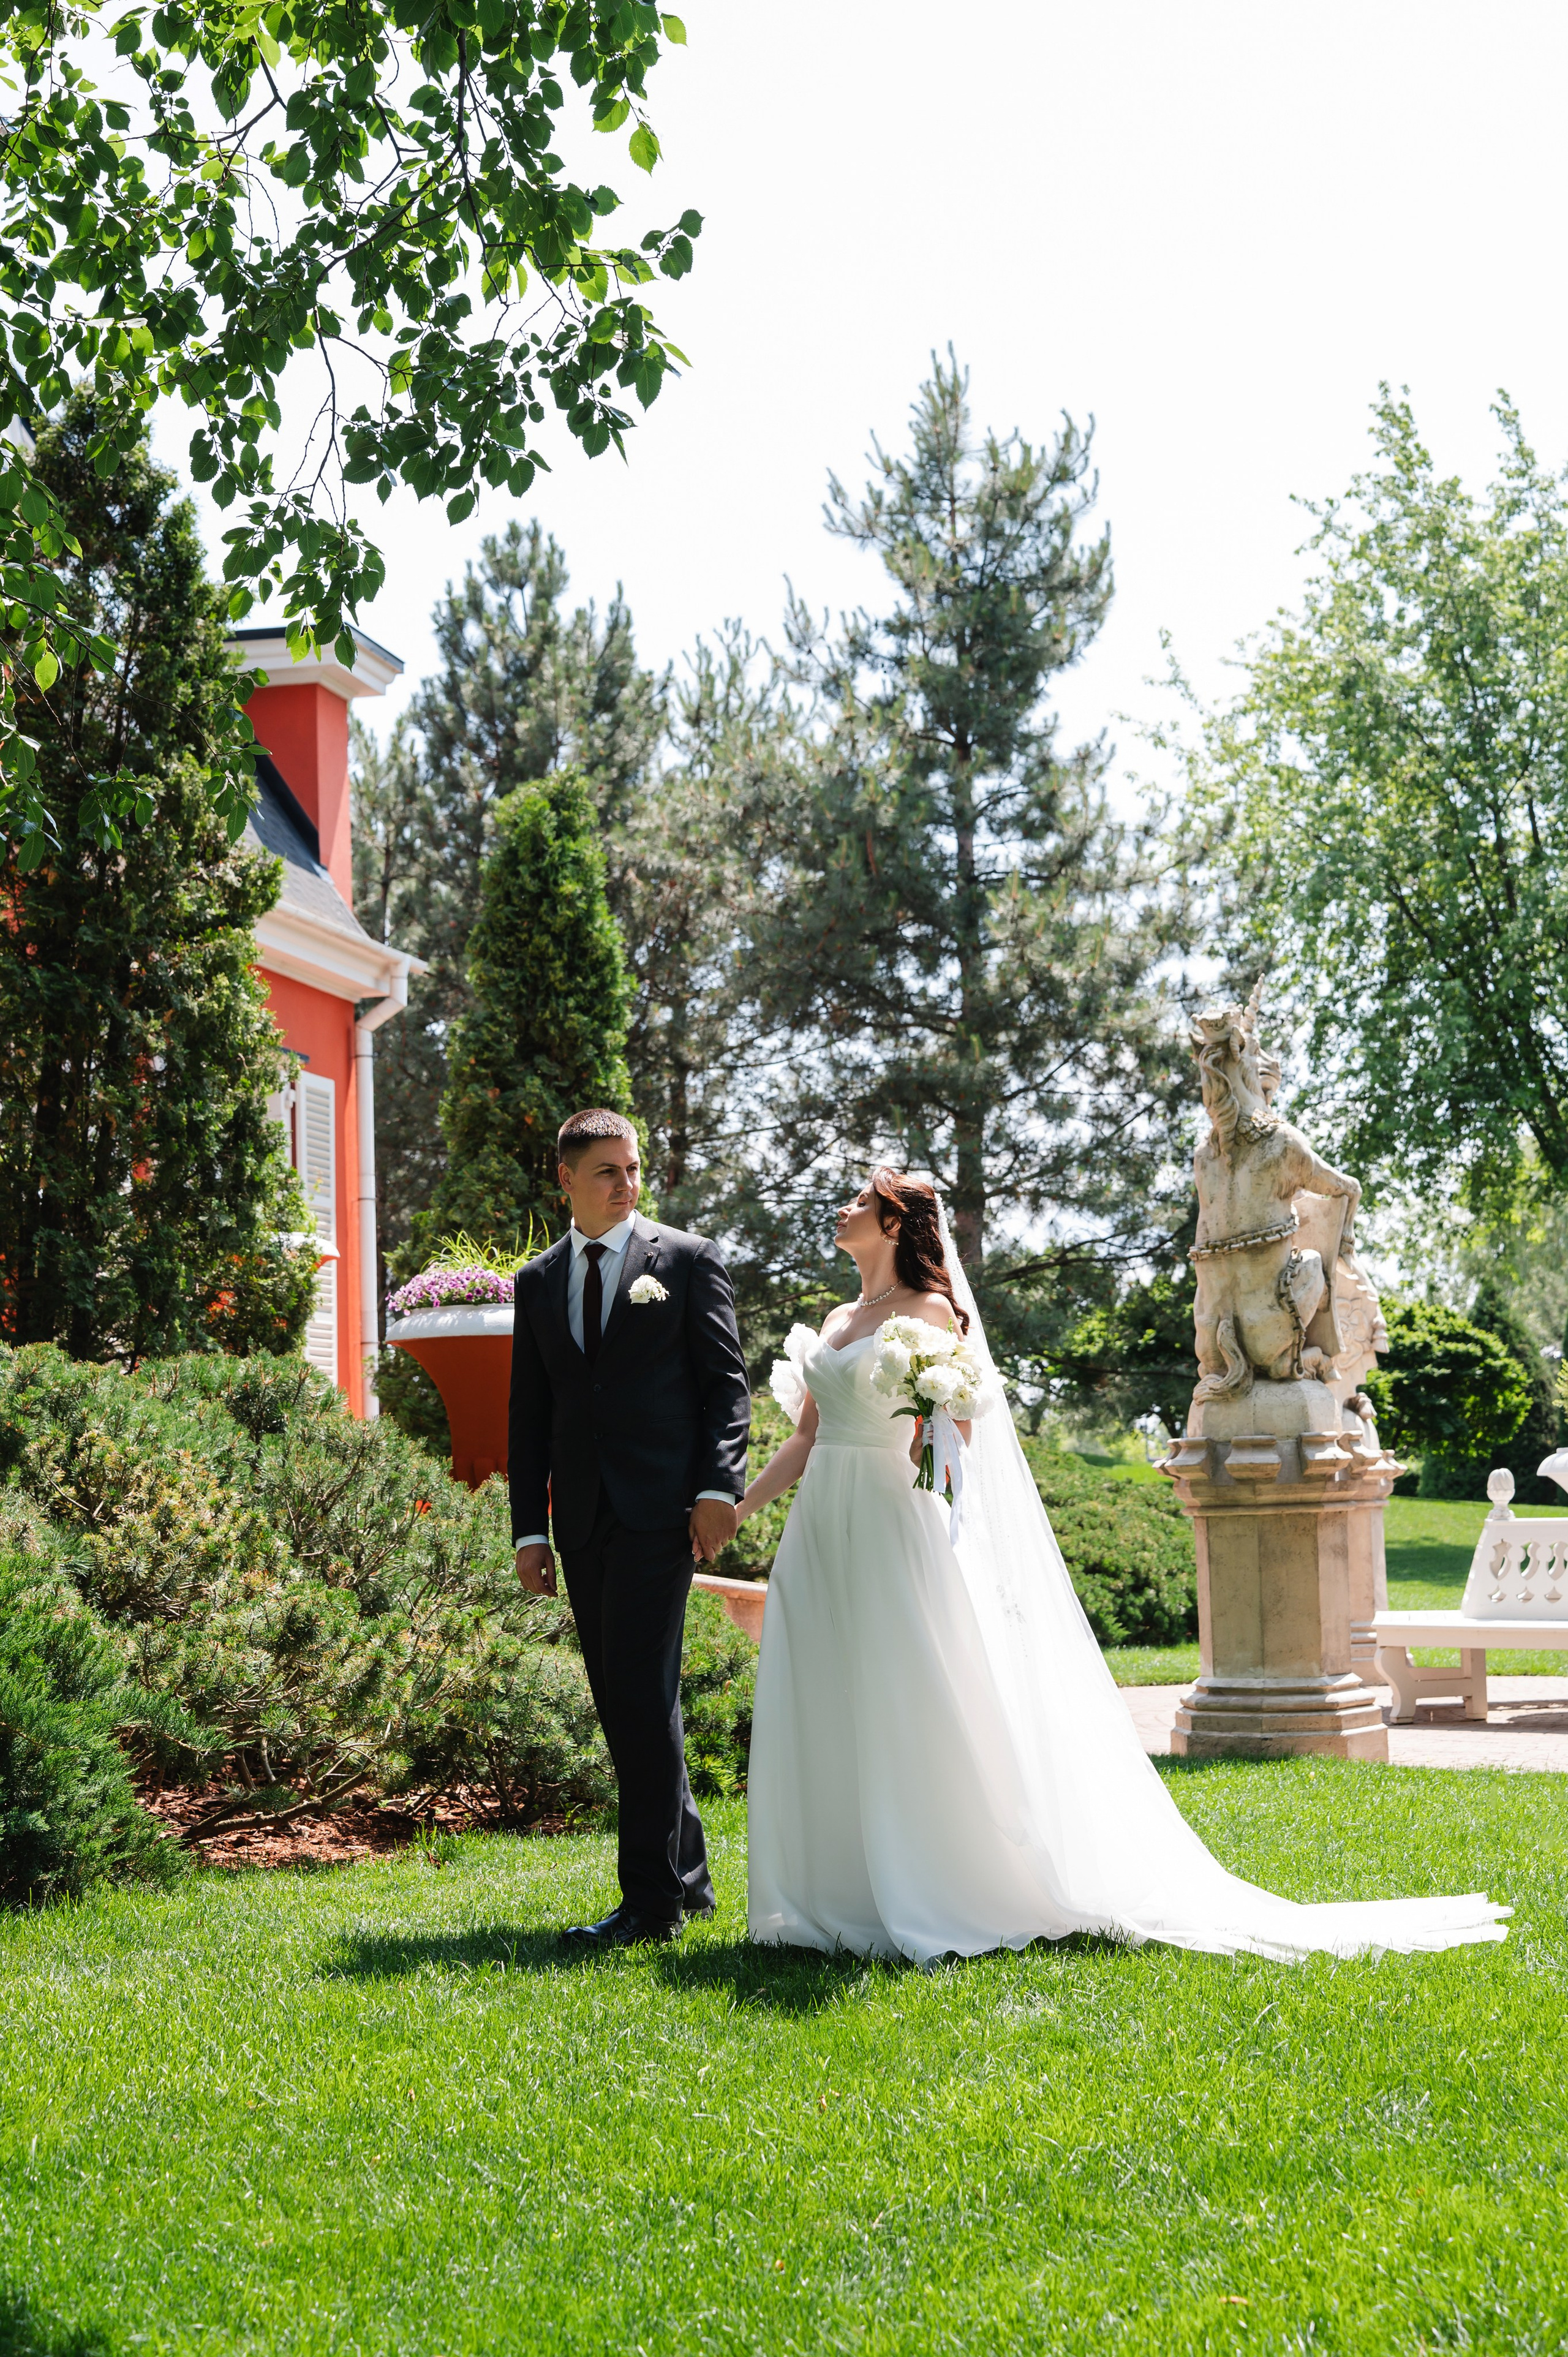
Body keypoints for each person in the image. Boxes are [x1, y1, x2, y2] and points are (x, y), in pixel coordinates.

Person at [738, 1167, 1510, 1964]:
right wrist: (736, 1510)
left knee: (898, 1694)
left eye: (860, 1202)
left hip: (888, 1520)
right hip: (820, 1526)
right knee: (821, 1687)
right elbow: (803, 1439)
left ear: (895, 1224)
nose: (842, 1210)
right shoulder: (835, 1321)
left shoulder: (931, 1313)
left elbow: (954, 1440)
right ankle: (829, 1896)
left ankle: (924, 1883)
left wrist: (932, 1430)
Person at [509, 1109, 750, 1947]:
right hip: (579, 1519)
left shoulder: (685, 1261)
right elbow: (528, 1414)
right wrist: (528, 1532)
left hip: (662, 1514)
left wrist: (721, 1488)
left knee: (642, 1700)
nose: (626, 1183)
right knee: (625, 1701)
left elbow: (727, 1387)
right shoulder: (536, 1282)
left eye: (634, 1168)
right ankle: (689, 1879)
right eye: (607, 1171)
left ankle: (649, 1907)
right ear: (566, 1180)